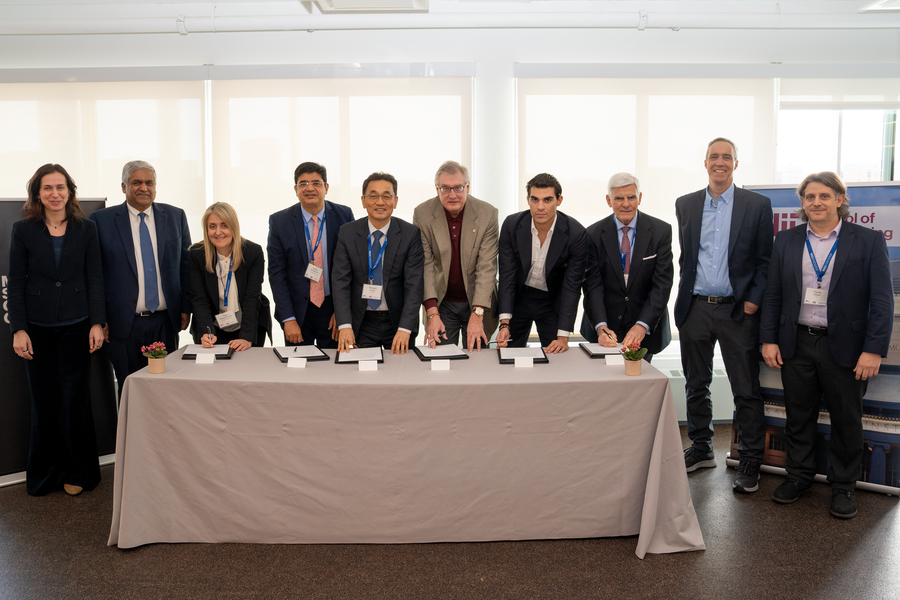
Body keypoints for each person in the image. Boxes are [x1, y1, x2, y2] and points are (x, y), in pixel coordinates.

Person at [761, 172, 893, 519]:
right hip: (797, 342)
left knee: (847, 420)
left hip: (847, 348)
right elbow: (773, 294)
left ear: (840, 199)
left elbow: (882, 301)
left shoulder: (867, 240)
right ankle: (799, 476)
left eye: (823, 196)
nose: (816, 202)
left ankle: (844, 486)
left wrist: (874, 349)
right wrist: (769, 338)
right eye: (809, 197)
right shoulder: (786, 240)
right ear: (802, 203)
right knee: (798, 414)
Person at [674, 137, 773, 494]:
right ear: (705, 163)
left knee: (746, 389)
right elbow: (687, 257)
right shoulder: (685, 204)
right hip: (696, 307)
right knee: (695, 384)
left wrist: (752, 303)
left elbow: (765, 261)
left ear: (735, 163)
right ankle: (702, 448)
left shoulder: (757, 205)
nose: (720, 162)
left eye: (726, 157)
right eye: (714, 156)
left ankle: (749, 459)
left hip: (737, 310)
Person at [8, 164, 105, 496]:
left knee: (75, 402)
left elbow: (95, 280)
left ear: (70, 191)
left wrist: (96, 322)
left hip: (77, 327)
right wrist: (18, 329)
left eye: (60, 187)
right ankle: (45, 475)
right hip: (37, 330)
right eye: (47, 188)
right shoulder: (23, 231)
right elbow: (16, 286)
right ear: (37, 193)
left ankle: (78, 473)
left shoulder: (86, 229)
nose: (54, 194)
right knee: (44, 403)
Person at [90, 160, 191, 398]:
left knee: (165, 390)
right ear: (124, 187)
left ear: (156, 187)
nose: (143, 187)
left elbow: (186, 266)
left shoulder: (175, 216)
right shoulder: (101, 220)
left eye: (149, 183)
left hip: (165, 322)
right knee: (130, 389)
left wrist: (186, 307)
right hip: (122, 325)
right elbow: (95, 274)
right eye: (136, 182)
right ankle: (131, 436)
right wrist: (99, 318)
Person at [581, 173, 674, 362]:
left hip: (645, 328)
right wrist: (601, 326)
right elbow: (592, 285)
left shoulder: (660, 231)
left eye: (631, 197)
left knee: (639, 387)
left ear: (639, 198)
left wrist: (642, 325)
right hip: (605, 329)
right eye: (619, 198)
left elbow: (662, 285)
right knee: (604, 388)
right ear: (609, 200)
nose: (626, 204)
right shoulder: (592, 234)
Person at [333, 172, 424, 354]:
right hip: (362, 321)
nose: (380, 202)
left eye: (386, 196)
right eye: (373, 196)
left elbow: (414, 285)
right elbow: (340, 281)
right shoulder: (347, 233)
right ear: (363, 200)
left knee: (399, 375)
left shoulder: (410, 234)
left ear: (395, 201)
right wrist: (344, 324)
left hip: (398, 322)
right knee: (363, 376)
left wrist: (405, 328)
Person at [496, 173, 588, 353]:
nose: (540, 207)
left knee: (556, 357)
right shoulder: (512, 225)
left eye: (547, 200)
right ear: (528, 200)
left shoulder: (576, 234)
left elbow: (572, 286)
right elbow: (507, 275)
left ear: (559, 200)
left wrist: (563, 337)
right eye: (534, 199)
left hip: (552, 300)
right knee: (508, 354)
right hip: (519, 297)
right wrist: (504, 323)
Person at [413, 160, 499, 351]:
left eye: (458, 188)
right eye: (445, 188)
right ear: (437, 189)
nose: (452, 195)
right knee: (442, 361)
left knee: (478, 361)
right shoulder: (423, 214)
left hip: (477, 302)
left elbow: (487, 267)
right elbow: (425, 265)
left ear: (467, 187)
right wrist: (432, 314)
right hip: (442, 303)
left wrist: (477, 314)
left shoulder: (487, 214)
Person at [268, 162, 354, 348]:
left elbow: (353, 269)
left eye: (316, 183)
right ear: (295, 189)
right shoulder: (279, 221)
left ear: (326, 187)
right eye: (303, 184)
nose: (309, 188)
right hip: (297, 311)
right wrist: (288, 318)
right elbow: (277, 274)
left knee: (334, 368)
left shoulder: (344, 216)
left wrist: (342, 313)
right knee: (298, 368)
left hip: (332, 308)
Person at [189, 202, 266, 351]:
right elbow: (199, 299)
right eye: (212, 226)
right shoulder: (197, 254)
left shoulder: (252, 252)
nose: (218, 232)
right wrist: (207, 333)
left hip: (246, 326)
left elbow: (252, 297)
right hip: (212, 327)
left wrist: (246, 337)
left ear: (233, 226)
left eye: (224, 225)